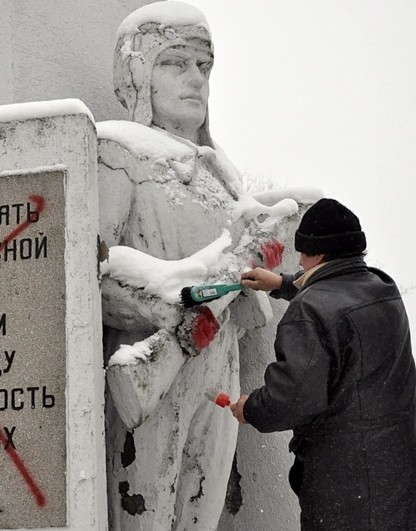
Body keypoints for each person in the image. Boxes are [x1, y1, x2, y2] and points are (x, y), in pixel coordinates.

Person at [96, 2, 304, 529]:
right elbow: (91, 270)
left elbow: (250, 304)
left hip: (219, 367)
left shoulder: (223, 176)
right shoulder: (118, 153)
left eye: (204, 66)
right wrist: (175, 306)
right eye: (176, 63)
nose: (195, 80)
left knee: (201, 513)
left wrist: (256, 271)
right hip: (151, 362)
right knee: (145, 511)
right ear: (138, 72)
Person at [231, 198, 416, 530]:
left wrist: (250, 408)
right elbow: (336, 306)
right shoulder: (382, 289)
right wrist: (282, 284)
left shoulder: (309, 312)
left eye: (304, 253)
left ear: (319, 255)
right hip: (402, 485)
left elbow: (291, 399)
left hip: (349, 497)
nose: (299, 259)